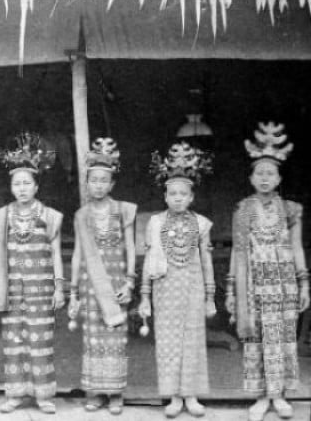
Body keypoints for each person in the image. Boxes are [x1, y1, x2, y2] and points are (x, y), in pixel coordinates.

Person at [226, 122, 310, 421]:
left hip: (284, 285)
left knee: (282, 339)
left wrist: (304, 284)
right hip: (253, 287)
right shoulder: (244, 209)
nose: (264, 178)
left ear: (279, 178)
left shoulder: (291, 210)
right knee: (258, 339)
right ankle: (262, 396)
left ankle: (279, 395)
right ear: (251, 178)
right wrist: (232, 289)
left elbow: (297, 247)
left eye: (270, 174)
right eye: (259, 173)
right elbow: (237, 250)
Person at [139, 140, 215, 418]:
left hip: (192, 288)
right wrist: (144, 297)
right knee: (168, 343)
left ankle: (191, 395)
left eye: (183, 194)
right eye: (173, 193)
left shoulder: (202, 223)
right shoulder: (155, 222)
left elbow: (206, 261)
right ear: (165, 196)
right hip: (165, 289)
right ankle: (173, 396)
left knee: (192, 341)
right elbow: (149, 261)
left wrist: (210, 296)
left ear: (191, 197)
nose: (178, 198)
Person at [0, 133, 65, 414]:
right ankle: (16, 394)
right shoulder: (3, 216)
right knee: (14, 342)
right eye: (17, 184)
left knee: (40, 341)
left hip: (41, 290)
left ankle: (43, 395)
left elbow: (55, 253)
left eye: (26, 183)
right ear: (11, 188)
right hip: (12, 290)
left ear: (36, 186)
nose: (22, 189)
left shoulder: (50, 216)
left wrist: (59, 287)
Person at [68, 138, 136, 415]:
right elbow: (77, 254)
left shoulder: (123, 210)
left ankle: (116, 392)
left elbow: (130, 247)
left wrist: (130, 282)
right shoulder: (81, 215)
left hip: (117, 282)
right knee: (93, 339)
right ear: (87, 183)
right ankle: (96, 392)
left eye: (103, 180)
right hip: (90, 286)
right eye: (93, 180)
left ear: (112, 184)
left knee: (115, 337)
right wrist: (73, 292)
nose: (98, 185)